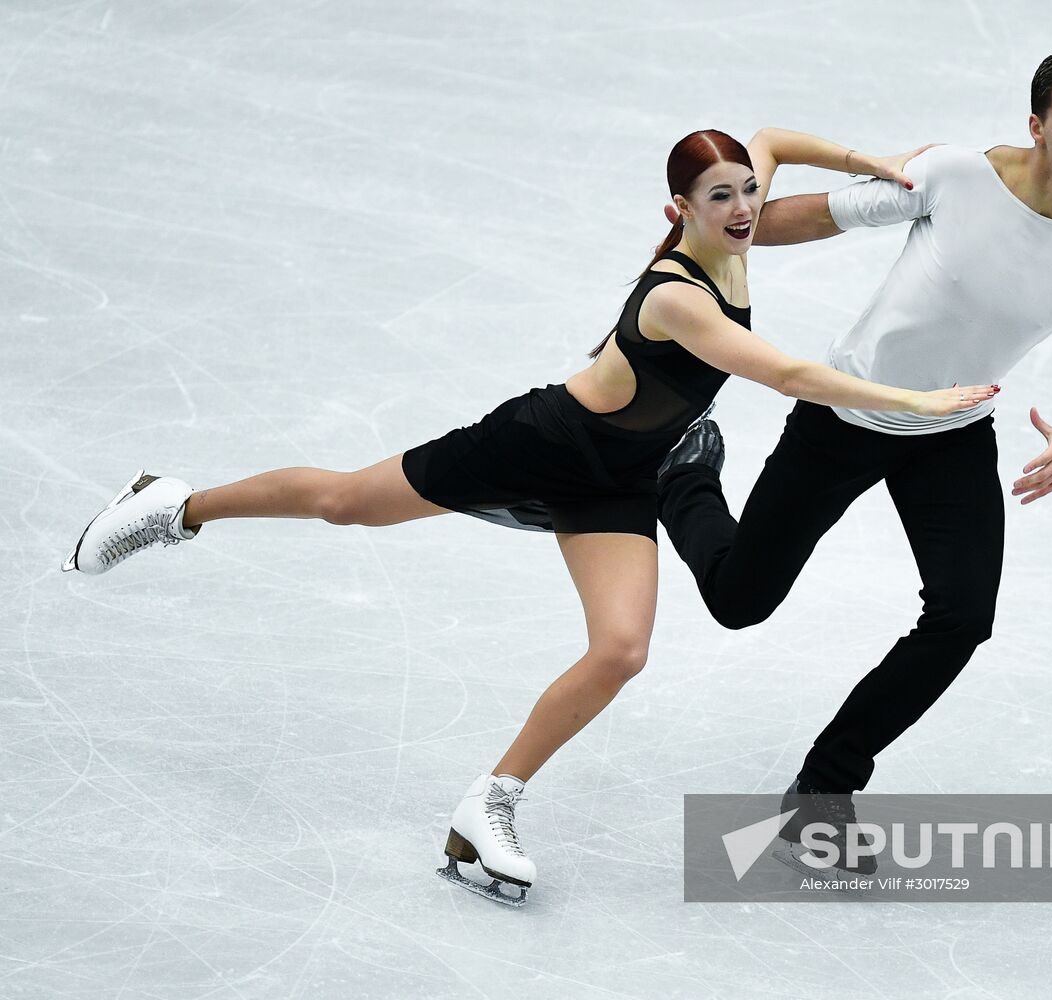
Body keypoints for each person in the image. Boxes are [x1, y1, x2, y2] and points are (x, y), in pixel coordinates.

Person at [60, 128, 997, 906]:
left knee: (622, 649)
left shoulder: (741, 224)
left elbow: (780, 137)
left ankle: (490, 802)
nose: (745, 208)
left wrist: (872, 167)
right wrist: (915, 404)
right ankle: (175, 506)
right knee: (348, 503)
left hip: (626, 475)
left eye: (748, 191)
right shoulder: (678, 295)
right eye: (720, 197)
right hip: (539, 442)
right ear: (679, 211)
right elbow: (788, 375)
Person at [656, 50, 1052, 876]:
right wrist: (715, 230)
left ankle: (823, 793)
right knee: (738, 603)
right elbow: (795, 220)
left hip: (951, 431)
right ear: (1037, 126)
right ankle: (684, 475)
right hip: (843, 412)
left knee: (962, 615)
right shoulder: (954, 176)